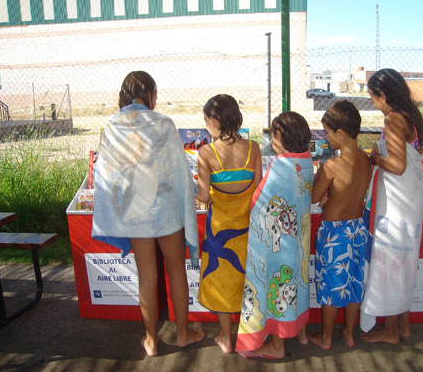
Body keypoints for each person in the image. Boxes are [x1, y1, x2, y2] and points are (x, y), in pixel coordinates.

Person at [92, 71, 204, 357]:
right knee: (177, 271)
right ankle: (182, 334)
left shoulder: (113, 124)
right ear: (151, 93)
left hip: (135, 213)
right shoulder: (164, 123)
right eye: (156, 93)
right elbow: (179, 171)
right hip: (166, 211)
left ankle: (152, 342)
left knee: (146, 276)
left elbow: (107, 173)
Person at [235, 111, 313, 359]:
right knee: (297, 285)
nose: (271, 140)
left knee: (277, 288)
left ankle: (277, 346)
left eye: (274, 134)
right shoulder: (306, 162)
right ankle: (300, 331)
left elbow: (260, 200)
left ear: (282, 138)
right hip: (297, 243)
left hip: (277, 248)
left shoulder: (280, 165)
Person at [360, 68, 423, 344]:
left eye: (373, 97)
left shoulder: (393, 120)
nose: (374, 103)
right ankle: (403, 325)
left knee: (390, 260)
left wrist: (375, 158)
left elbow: (398, 166)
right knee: (405, 261)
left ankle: (390, 331)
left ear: (383, 95)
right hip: (411, 199)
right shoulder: (411, 117)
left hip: (397, 204)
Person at [196, 94, 262, 354]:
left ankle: (226, 338)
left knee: (221, 281)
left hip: (218, 230)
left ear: (213, 120)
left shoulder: (206, 153)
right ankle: (250, 334)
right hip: (248, 230)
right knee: (247, 280)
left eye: (205, 121)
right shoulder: (253, 148)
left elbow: (202, 196)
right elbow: (257, 189)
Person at [308, 101, 372, 349]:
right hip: (357, 229)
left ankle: (325, 338)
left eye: (326, 132)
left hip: (335, 233)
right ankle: (348, 333)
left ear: (340, 134)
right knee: (355, 282)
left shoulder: (332, 165)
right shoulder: (366, 160)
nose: (325, 137)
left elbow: (314, 196)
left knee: (330, 287)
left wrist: (323, 195)